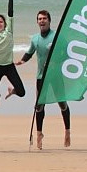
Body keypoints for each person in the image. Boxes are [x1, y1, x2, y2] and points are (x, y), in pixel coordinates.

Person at [17, 9, 71, 149]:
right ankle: (39, 134)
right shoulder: (35, 38)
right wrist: (22, 61)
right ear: (37, 22)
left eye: (44, 18)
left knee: (62, 104)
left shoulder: (57, 36)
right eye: (39, 19)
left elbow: (66, 54)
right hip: (41, 76)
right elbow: (29, 52)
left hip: (56, 76)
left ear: (49, 20)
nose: (42, 21)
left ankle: (67, 132)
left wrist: (56, 61)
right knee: (39, 105)